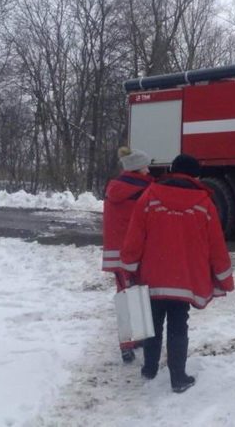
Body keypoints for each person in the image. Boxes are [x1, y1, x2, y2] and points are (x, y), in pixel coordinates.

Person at [120, 153, 235, 393]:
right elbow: (216, 245)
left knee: (152, 323)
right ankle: (178, 377)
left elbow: (135, 236)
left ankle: (149, 369)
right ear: (194, 175)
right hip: (184, 279)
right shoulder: (204, 203)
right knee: (178, 326)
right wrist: (225, 278)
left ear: (172, 170)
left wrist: (129, 266)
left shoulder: (150, 196)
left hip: (153, 276)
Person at [102, 146, 154, 364]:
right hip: (137, 252)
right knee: (140, 293)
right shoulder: (146, 190)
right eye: (146, 167)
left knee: (125, 295)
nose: (148, 171)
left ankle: (129, 342)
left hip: (116, 253)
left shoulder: (113, 188)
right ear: (138, 169)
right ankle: (135, 339)